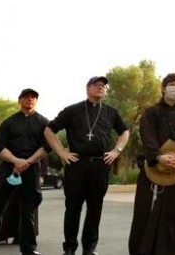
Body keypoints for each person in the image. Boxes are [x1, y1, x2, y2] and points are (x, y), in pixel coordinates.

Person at [44, 76, 130, 255]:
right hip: (77, 164)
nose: (101, 88)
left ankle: (89, 248)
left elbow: (125, 132)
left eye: (104, 86)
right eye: (97, 85)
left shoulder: (111, 112)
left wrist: (117, 151)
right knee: (73, 208)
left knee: (95, 208)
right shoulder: (72, 110)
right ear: (87, 88)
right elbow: (49, 130)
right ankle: (69, 247)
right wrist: (61, 152)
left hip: (100, 165)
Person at [128, 73, 175, 255]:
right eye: (171, 84)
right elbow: (148, 137)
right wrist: (159, 157)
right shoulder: (151, 112)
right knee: (146, 214)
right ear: (163, 88)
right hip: (153, 170)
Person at [0, 89, 49, 255]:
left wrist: (28, 162)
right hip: (9, 168)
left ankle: (29, 249)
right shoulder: (8, 122)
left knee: (28, 211)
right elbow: (0, 148)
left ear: (36, 101)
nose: (30, 100)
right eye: (26, 97)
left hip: (31, 170)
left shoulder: (44, 122)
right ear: (20, 100)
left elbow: (46, 147)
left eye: (33, 98)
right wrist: (16, 161)